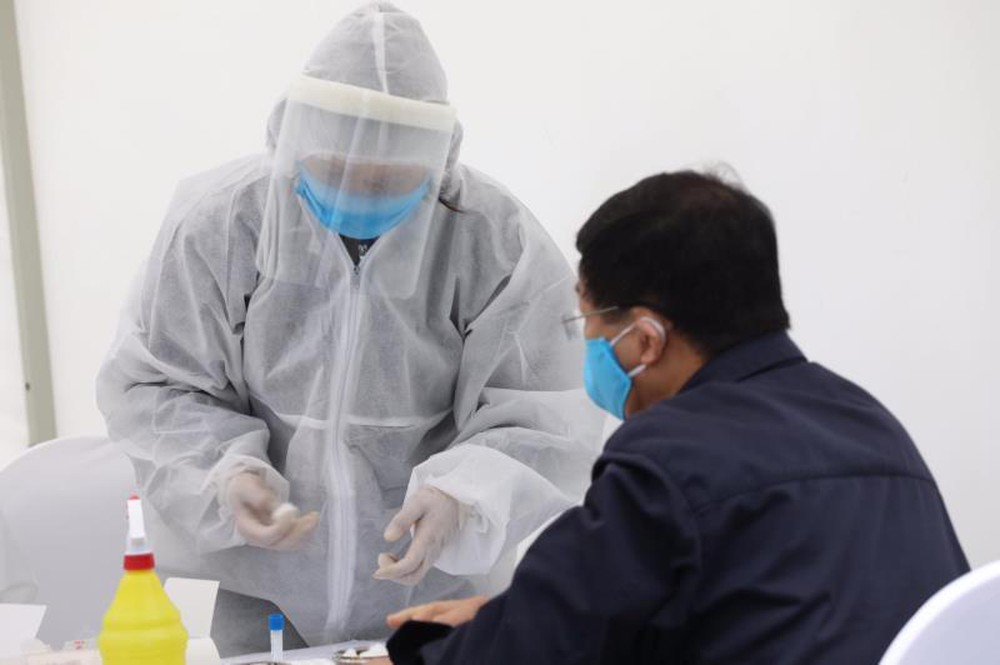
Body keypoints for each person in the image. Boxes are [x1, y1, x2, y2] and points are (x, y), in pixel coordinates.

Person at [96, 2, 602, 654]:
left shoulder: (493, 239)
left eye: (388, 180)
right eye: (337, 171)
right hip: (266, 592)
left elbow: (546, 413)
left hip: (438, 593)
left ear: (437, 160)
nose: (361, 196)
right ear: (293, 142)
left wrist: (464, 495)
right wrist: (225, 474)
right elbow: (156, 385)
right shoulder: (223, 225)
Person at [383, 171, 970, 664]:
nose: (587, 341)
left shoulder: (669, 461)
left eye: (588, 321)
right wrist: (506, 615)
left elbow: (534, 650)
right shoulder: (872, 426)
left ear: (646, 340)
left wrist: (427, 650)